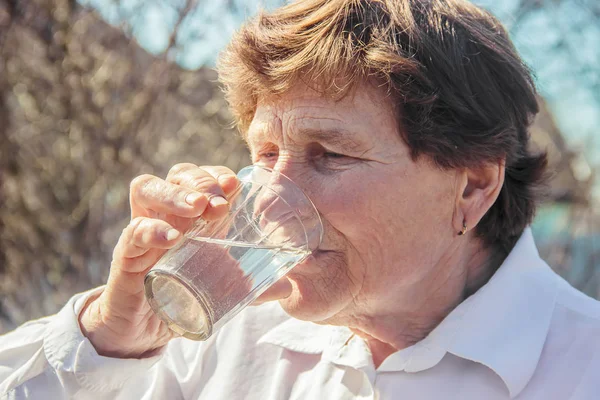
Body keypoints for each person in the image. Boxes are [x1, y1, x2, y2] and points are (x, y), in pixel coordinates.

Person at [1, 0, 599, 398]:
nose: (267, 202)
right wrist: (109, 337)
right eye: (265, 155)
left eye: (330, 156)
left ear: (472, 186)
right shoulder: (219, 339)